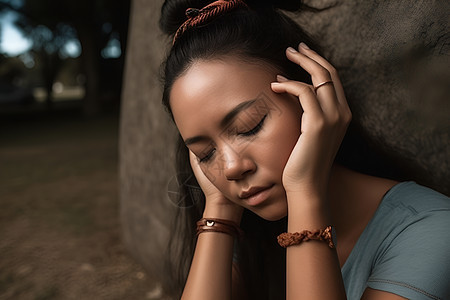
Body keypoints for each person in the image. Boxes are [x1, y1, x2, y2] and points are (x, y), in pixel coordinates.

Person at [158, 0, 450, 299]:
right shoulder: (252, 235)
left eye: (250, 126)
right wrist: (219, 208)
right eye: (206, 153)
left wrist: (304, 189)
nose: (230, 168)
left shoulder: (433, 231)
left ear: (313, 98)